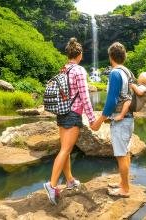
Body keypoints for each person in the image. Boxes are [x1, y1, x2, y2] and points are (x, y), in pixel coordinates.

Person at [44, 38, 96, 205]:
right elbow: (85, 96)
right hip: (73, 113)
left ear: (68, 54)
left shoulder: (63, 69)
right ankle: (51, 185)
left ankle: (70, 180)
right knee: (66, 150)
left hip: (61, 112)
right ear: (79, 54)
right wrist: (92, 118)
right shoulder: (79, 70)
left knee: (64, 149)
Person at [90, 42, 133, 198]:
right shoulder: (128, 72)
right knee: (125, 152)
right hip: (129, 118)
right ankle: (123, 183)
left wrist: (99, 120)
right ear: (124, 56)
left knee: (121, 155)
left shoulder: (115, 73)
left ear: (110, 57)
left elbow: (112, 101)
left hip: (120, 121)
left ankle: (125, 189)